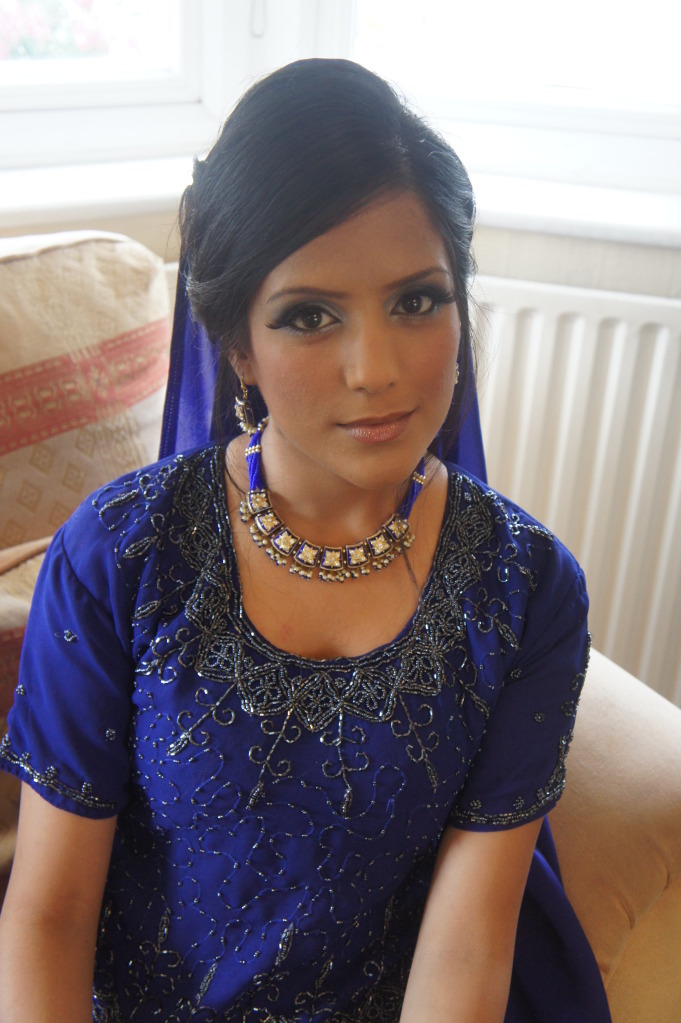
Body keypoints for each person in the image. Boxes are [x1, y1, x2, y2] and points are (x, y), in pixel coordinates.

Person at [0, 59, 611, 1022]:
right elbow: (48, 912)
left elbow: (466, 941)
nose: (375, 368)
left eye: (416, 300)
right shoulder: (120, 554)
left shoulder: (526, 587)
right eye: (309, 316)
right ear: (237, 344)